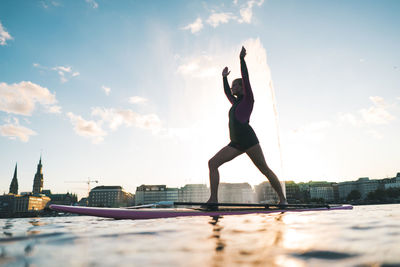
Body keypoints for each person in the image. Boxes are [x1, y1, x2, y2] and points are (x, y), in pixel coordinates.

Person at [206, 46, 287, 205]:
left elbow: (246, 77)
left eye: (235, 85)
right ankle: (213, 200)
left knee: (264, 169)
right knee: (212, 163)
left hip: (249, 141)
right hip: (235, 143)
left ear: (242, 87)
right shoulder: (235, 103)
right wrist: (224, 78)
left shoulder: (247, 99)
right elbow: (227, 93)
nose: (232, 88)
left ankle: (283, 200)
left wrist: (241, 60)